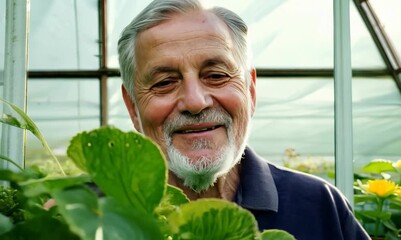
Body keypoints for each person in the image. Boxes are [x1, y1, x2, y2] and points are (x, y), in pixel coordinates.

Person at [118, 0, 370, 239]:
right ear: (132, 107)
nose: (195, 102)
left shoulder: (319, 207)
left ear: (250, 90)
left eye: (216, 75)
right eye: (165, 83)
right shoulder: (98, 213)